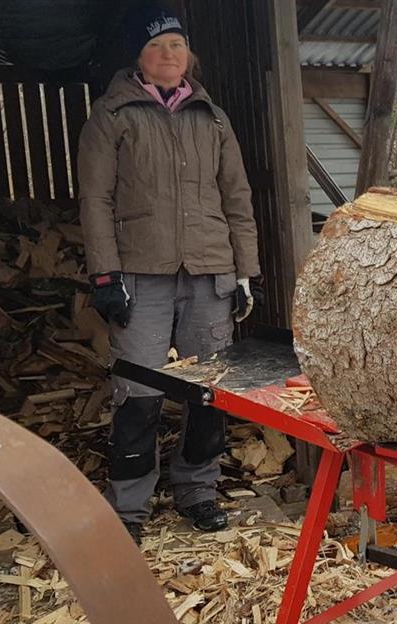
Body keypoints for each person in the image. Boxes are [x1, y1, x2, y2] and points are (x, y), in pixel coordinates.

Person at [78, 2, 262, 543]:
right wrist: (105, 276)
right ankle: (129, 508)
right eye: (157, 45)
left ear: (189, 55)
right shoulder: (111, 116)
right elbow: (95, 199)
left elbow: (238, 197)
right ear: (139, 54)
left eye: (177, 44)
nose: (168, 54)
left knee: (210, 392)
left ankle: (198, 491)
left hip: (210, 271)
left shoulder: (214, 117)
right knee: (138, 393)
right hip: (142, 273)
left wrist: (245, 270)